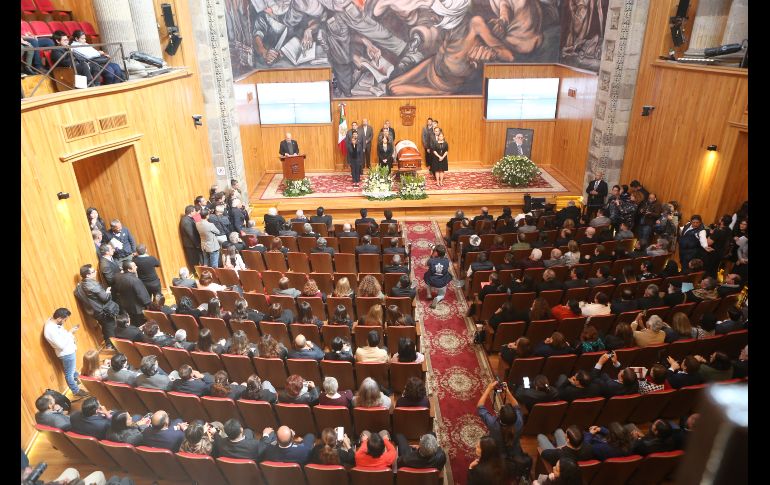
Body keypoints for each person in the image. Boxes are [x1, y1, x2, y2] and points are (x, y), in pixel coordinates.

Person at [43, 308, 88, 397]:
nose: (65, 322)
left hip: (68, 352)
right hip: (66, 354)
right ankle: (76, 391)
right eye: (65, 320)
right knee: (69, 374)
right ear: (59, 318)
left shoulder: (54, 321)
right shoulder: (50, 330)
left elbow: (62, 337)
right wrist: (70, 333)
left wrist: (70, 334)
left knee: (72, 370)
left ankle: (78, 383)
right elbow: (61, 345)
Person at [113, 261, 152, 326]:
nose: (136, 267)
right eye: (134, 266)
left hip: (126, 306)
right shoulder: (135, 280)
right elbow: (142, 295)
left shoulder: (118, 278)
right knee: (142, 324)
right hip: (138, 308)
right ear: (129, 269)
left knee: (134, 323)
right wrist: (148, 305)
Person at [423, 244, 452, 309]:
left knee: (427, 275)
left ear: (436, 253)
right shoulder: (447, 261)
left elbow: (425, 264)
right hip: (442, 283)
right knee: (442, 295)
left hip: (431, 282)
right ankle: (438, 298)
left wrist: (431, 256)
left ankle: (429, 294)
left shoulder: (431, 260)